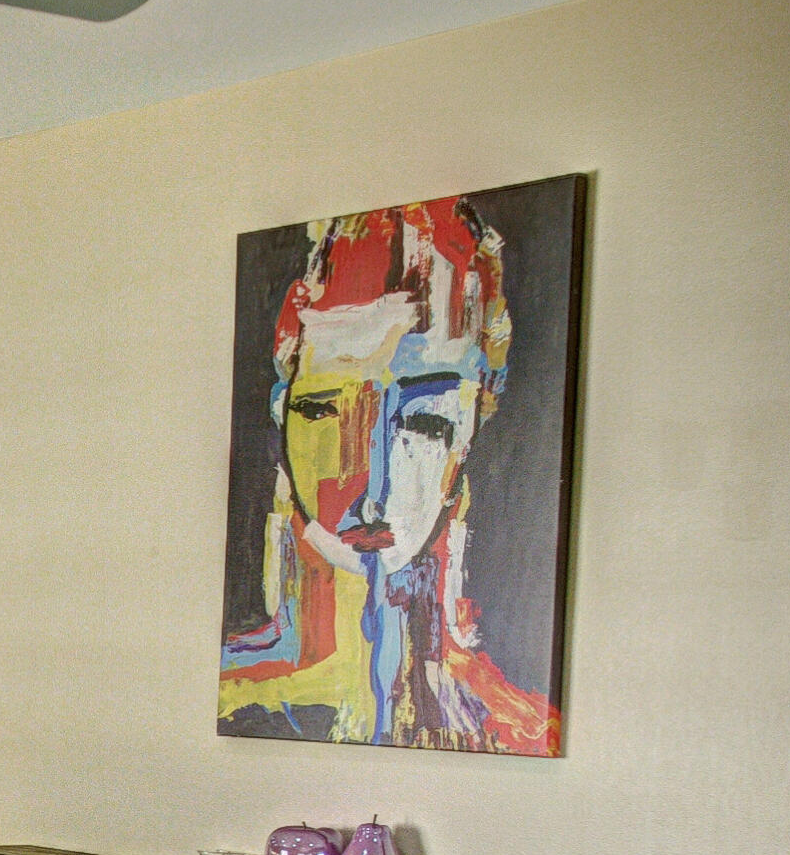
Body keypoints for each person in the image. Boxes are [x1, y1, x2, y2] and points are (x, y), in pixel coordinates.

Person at [218, 194, 558, 755]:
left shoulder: (513, 728)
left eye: (423, 423)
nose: (370, 491)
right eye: (323, 411)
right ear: (281, 409)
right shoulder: (237, 698)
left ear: (471, 429)